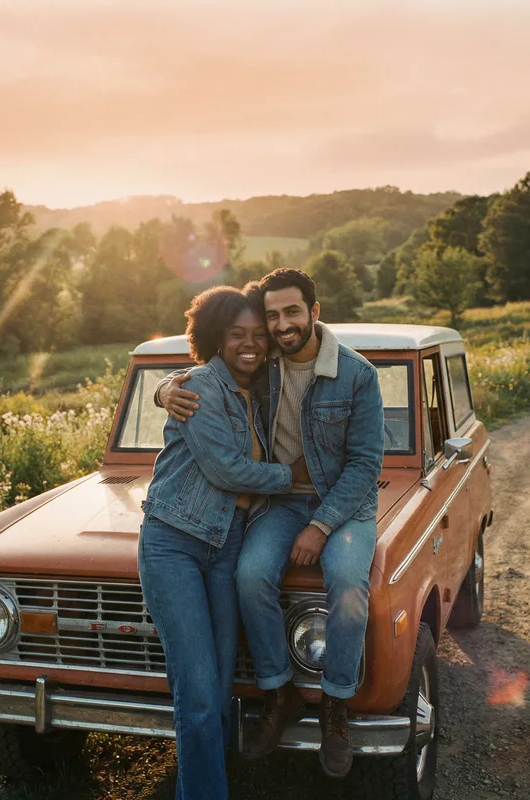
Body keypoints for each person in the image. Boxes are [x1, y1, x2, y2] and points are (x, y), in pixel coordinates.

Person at [157, 269, 385, 779]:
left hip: (343, 505)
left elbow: (366, 464)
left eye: (292, 313)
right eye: (273, 316)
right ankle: (280, 692)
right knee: (250, 575)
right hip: (279, 502)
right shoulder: (265, 364)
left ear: (314, 312)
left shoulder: (357, 375)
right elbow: (210, 370)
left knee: (349, 580)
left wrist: (321, 526)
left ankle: (335, 705)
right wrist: (165, 388)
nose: (281, 325)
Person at [138, 284, 310, 800]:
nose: (250, 343)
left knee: (217, 692)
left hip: (226, 545)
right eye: (237, 335)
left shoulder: (259, 388)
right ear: (216, 337)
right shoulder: (199, 386)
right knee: (196, 694)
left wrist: (159, 386)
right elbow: (226, 470)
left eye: (259, 335)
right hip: (175, 543)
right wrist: (295, 476)